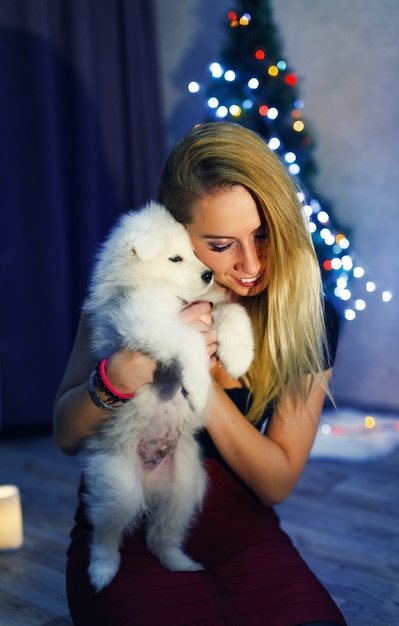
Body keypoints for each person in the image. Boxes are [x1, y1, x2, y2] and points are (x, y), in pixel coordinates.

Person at [53, 122, 346, 626]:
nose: (251, 263)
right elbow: (66, 435)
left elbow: (276, 483)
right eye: (221, 243)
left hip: (242, 527)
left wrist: (200, 381)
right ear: (179, 234)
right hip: (127, 524)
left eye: (261, 234)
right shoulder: (124, 295)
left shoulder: (306, 316)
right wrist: (125, 372)